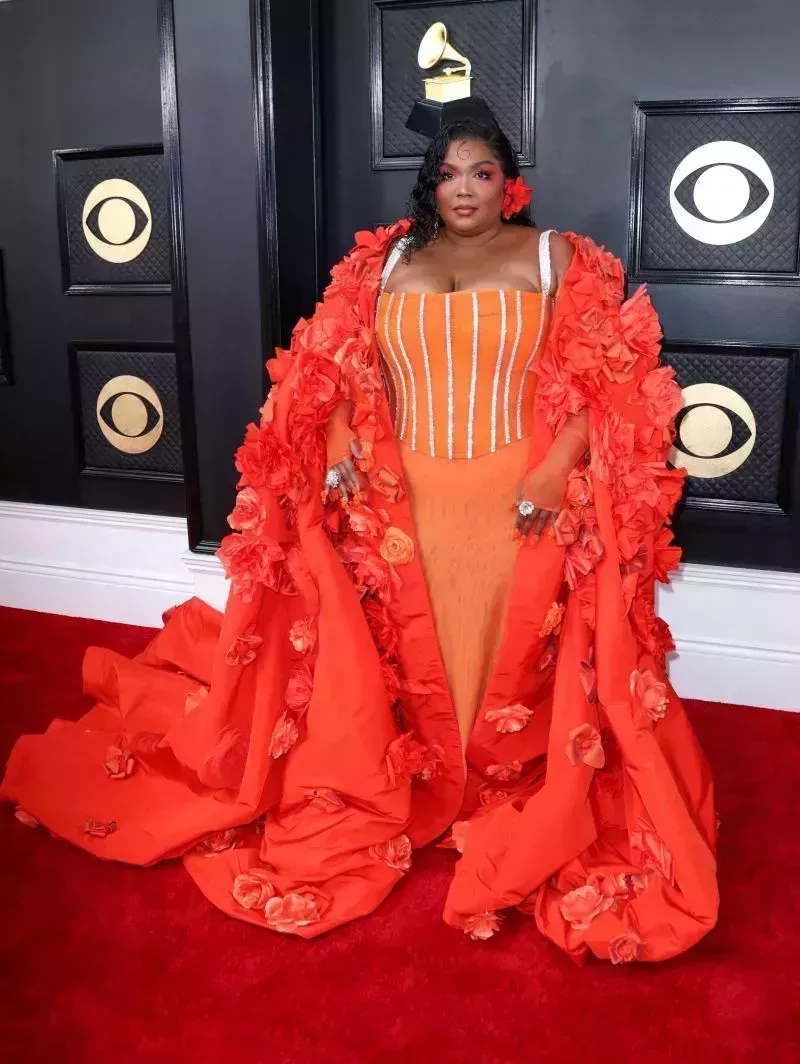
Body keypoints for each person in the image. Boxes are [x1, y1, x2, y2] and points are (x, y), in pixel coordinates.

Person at [1, 107, 719, 965]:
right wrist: (337, 433)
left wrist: (556, 467)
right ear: (430, 182)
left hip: (517, 500)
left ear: (508, 181)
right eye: (450, 173)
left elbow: (610, 377)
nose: (464, 188)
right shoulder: (383, 261)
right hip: (399, 501)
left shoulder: (555, 256)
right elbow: (330, 367)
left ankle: (496, 784)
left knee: (506, 653)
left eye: (482, 172)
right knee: (407, 653)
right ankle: (411, 773)